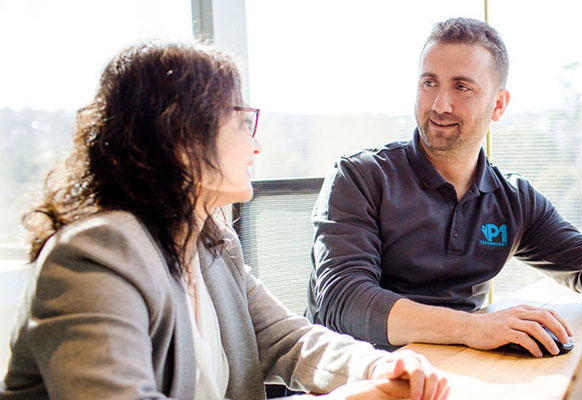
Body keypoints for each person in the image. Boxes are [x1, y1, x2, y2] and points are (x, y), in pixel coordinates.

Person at [1, 42, 448, 400]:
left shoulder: (209, 243)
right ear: (181, 139)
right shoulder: (96, 256)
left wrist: (378, 366)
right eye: (241, 123)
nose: (256, 145)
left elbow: (285, 338)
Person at [307, 18, 582, 357]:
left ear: (498, 104)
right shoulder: (360, 177)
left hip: (456, 375)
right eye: (430, 83)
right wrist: (475, 328)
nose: (440, 104)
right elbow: (344, 304)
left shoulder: (512, 200)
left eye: (462, 87)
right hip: (360, 379)